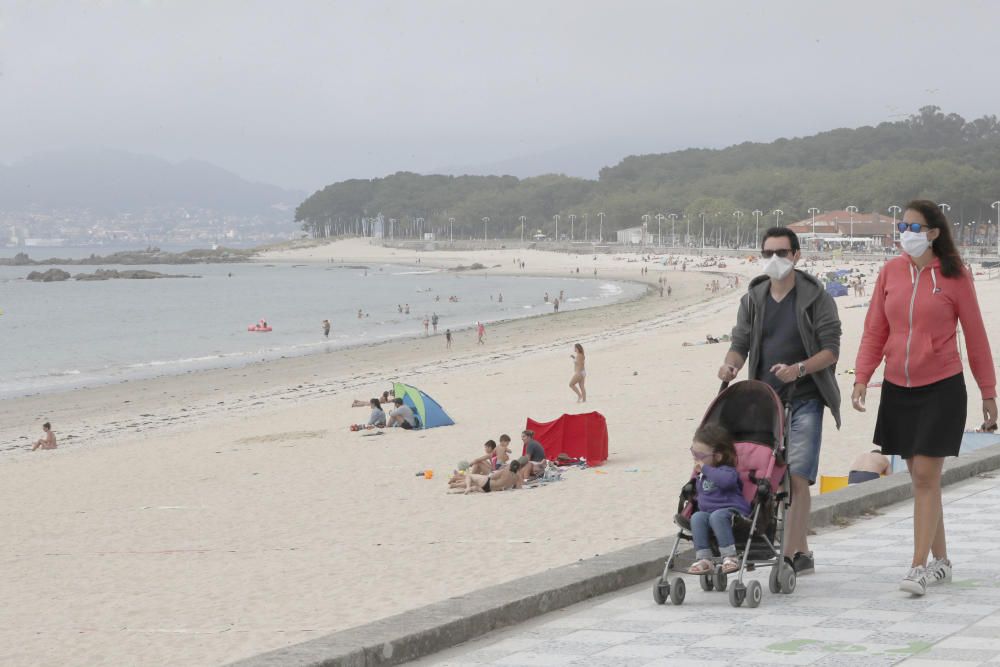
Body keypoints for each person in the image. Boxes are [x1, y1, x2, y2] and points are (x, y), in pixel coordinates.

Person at [852, 200, 997, 596]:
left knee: (925, 477)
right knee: (922, 478)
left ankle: (918, 567)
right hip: (898, 386)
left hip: (942, 386)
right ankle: (942, 562)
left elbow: (977, 335)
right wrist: (862, 376)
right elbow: (874, 330)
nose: (906, 234)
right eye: (903, 226)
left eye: (914, 228)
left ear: (933, 233)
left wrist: (988, 391)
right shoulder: (890, 272)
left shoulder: (955, 276)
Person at [720, 226, 842, 576]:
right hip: (763, 401)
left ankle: (787, 557)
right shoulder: (754, 299)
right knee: (768, 476)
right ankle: (800, 550)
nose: (775, 260)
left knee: (799, 477)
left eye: (782, 253)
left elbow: (831, 350)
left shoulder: (816, 297)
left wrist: (799, 369)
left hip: (805, 398)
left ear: (796, 255)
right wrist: (730, 364)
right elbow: (740, 341)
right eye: (768, 254)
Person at [686, 423, 750, 575]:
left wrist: (706, 469)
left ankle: (730, 556)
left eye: (700, 456)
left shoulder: (727, 471)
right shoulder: (701, 474)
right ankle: (704, 558)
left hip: (732, 512)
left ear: (718, 456)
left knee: (717, 515)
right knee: (697, 517)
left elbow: (726, 481)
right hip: (710, 513)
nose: (696, 459)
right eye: (694, 453)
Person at [457, 459, 523, 494]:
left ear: (510, 465)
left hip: (488, 483)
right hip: (490, 490)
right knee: (474, 487)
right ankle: (456, 490)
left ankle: (467, 487)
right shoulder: (516, 478)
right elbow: (517, 487)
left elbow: (492, 477)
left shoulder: (504, 471)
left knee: (469, 476)